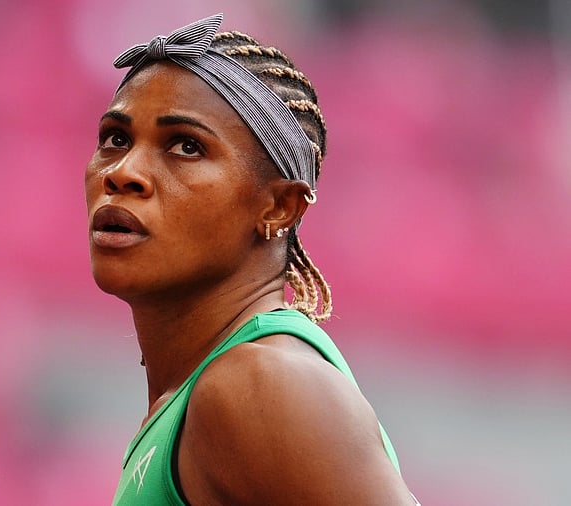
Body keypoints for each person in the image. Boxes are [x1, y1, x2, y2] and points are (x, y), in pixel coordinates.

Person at [85, 13, 419, 505]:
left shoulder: (260, 385)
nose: (122, 172)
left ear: (279, 207)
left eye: (186, 146)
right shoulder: (201, 396)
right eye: (116, 138)